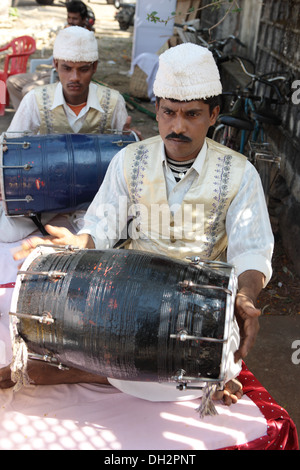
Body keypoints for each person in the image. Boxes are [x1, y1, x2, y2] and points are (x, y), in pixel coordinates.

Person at [0, 43, 274, 408]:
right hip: (127, 298)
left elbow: (252, 248)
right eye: (168, 113)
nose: (177, 126)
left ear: (214, 115)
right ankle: (106, 368)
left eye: (191, 114)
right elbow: (103, 223)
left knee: (197, 356)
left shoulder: (242, 174)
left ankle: (93, 371)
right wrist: (80, 241)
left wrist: (245, 295)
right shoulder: (129, 160)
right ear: (157, 109)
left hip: (198, 306)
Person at [1, 26, 136, 243]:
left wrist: (130, 143)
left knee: (117, 237)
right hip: (42, 198)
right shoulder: (35, 100)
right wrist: (4, 152)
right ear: (55, 64)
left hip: (94, 201)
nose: (74, 77)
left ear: (94, 67)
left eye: (83, 69)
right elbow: (10, 146)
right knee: (7, 235)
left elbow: (124, 159)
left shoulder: (113, 102)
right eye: (66, 68)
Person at [6, 1, 95, 110]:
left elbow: (73, 63)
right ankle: (22, 117)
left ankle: (35, 121)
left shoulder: (86, 37)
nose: (71, 21)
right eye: (69, 18)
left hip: (60, 75)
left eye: (75, 19)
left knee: (28, 90)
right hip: (49, 71)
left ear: (83, 19)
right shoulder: (66, 32)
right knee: (12, 81)